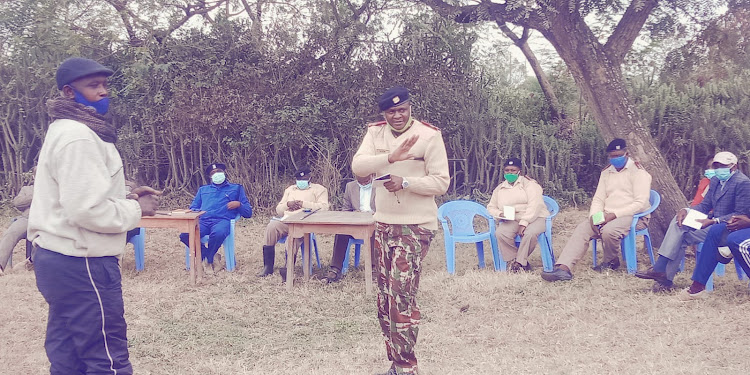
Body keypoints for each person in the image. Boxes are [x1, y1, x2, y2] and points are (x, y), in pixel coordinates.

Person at [28, 57, 160, 375]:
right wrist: (136, 209)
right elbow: (86, 210)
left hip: (57, 258)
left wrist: (123, 196)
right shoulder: (78, 137)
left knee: (67, 354)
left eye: (104, 85)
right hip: (82, 262)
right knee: (106, 358)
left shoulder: (67, 129)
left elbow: (79, 197)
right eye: (93, 86)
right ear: (69, 92)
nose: (103, 92)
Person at [352, 87, 450, 375]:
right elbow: (358, 166)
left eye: (402, 109)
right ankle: (396, 364)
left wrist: (406, 182)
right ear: (383, 113)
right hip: (383, 223)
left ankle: (408, 367)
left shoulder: (429, 135)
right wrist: (390, 158)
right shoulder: (375, 133)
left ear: (410, 107)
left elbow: (441, 183)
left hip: (415, 225)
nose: (397, 115)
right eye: (391, 111)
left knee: (400, 294)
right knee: (384, 299)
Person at [635, 151, 750, 292]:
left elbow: (740, 215)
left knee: (681, 236)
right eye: (716, 166)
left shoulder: (742, 183)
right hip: (711, 226)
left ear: (733, 166)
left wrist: (713, 220)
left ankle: (661, 272)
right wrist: (686, 210)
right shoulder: (715, 181)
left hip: (729, 229)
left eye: (722, 166)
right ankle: (663, 276)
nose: (719, 169)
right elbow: (705, 205)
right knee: (679, 223)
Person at [542, 139, 652, 282]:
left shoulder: (638, 172)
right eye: (612, 156)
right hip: (607, 214)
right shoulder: (607, 172)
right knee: (583, 228)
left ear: (627, 153)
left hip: (633, 215)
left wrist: (614, 215)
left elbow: (640, 202)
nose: (615, 159)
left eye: (619, 155)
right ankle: (563, 269)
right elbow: (599, 198)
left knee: (609, 230)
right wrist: (594, 216)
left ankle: (610, 261)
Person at [179, 162, 253, 275]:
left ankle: (207, 261)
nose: (217, 174)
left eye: (219, 171)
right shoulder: (203, 190)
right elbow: (193, 207)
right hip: (203, 221)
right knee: (185, 234)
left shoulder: (236, 188)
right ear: (210, 177)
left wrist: (239, 204)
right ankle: (210, 256)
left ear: (224, 173)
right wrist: (197, 212)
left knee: (218, 233)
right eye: (213, 173)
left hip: (222, 221)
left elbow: (248, 213)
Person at [257, 166, 329, 277]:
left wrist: (303, 204)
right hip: (287, 220)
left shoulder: (319, 189)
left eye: (304, 179)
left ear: (309, 177)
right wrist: (288, 205)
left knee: (293, 237)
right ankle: (268, 266)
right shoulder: (290, 190)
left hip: (304, 223)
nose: (301, 182)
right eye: (299, 180)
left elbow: (324, 208)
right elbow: (279, 210)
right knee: (271, 227)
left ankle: (288, 268)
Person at [486, 157, 550, 272]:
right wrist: (500, 213)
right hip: (513, 218)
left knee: (529, 233)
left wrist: (524, 223)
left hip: (535, 217)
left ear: (519, 171)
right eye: (507, 170)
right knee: (501, 233)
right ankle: (515, 260)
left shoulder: (530, 185)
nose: (510, 173)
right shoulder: (500, 188)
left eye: (513, 170)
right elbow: (491, 207)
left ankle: (520, 262)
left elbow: (535, 205)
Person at [678, 213, 750, 300]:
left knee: (737, 241)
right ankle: (697, 288)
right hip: (731, 221)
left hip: (741, 223)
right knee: (715, 230)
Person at [322, 173, 377, 283]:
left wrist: (372, 214)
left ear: (371, 176)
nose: (363, 184)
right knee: (341, 231)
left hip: (373, 222)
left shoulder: (379, 187)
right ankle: (335, 269)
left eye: (366, 182)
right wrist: (354, 214)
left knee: (374, 232)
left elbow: (384, 208)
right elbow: (345, 210)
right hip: (355, 223)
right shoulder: (350, 186)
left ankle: (374, 269)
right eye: (360, 182)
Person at [0, 167, 35, 275]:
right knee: (11, 233)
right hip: (26, 219)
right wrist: (36, 194)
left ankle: (30, 262)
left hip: (46, 220)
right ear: (34, 176)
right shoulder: (27, 189)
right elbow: (17, 203)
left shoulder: (53, 189)